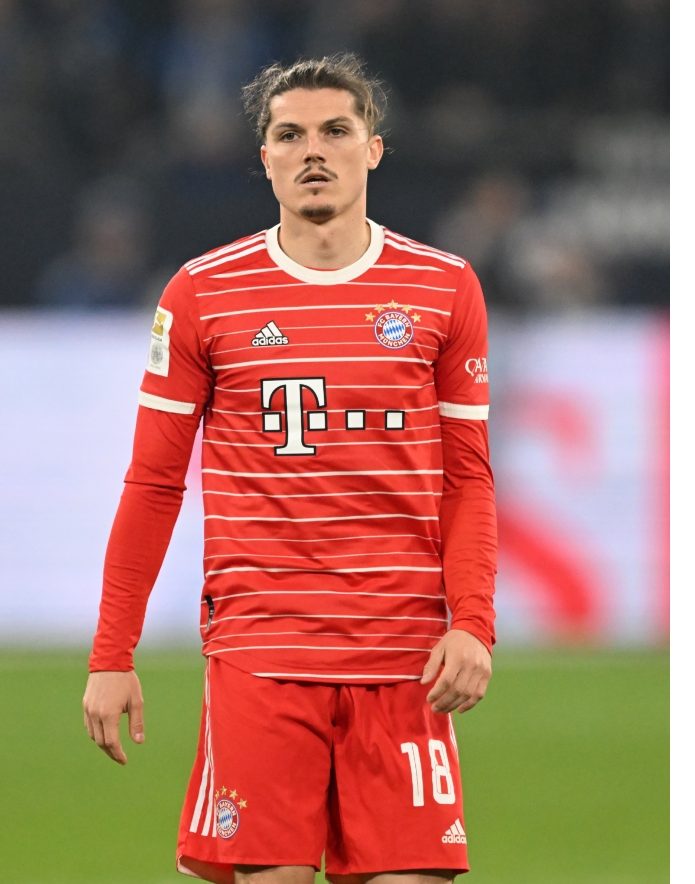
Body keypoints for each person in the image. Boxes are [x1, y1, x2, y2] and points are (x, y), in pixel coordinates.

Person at [83, 53, 497, 884]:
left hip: (403, 659)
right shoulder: (201, 293)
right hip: (261, 658)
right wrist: (111, 653)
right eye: (290, 134)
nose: (313, 150)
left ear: (372, 149)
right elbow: (154, 484)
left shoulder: (443, 287)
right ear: (264, 157)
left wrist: (473, 623)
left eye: (335, 130)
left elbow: (467, 479)